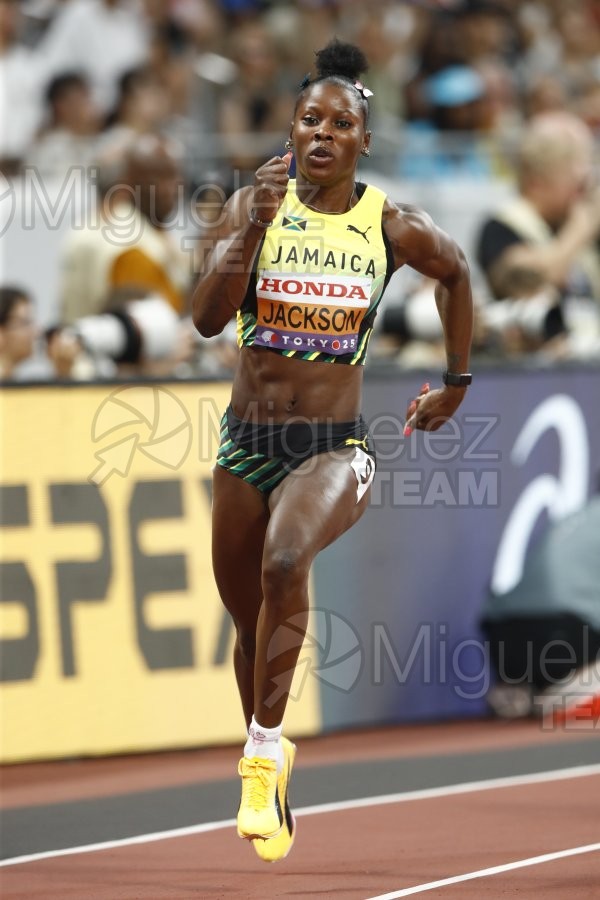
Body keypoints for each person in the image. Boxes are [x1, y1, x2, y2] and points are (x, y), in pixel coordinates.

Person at [192, 39, 473, 863]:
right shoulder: (253, 206)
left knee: (286, 565)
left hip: (333, 447)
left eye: (339, 122)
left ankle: (260, 755)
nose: (321, 132)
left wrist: (455, 380)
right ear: (290, 131)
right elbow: (208, 318)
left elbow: (455, 273)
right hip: (245, 447)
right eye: (309, 118)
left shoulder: (387, 225)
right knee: (251, 627)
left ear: (362, 140)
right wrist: (253, 228)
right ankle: (270, 748)